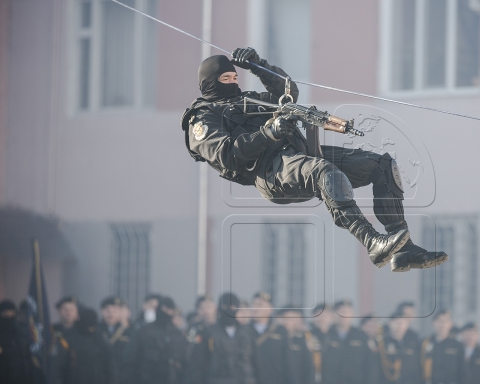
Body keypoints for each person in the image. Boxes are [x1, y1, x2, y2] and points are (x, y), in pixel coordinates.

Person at [181, 49, 448, 272]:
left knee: (382, 165)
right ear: (209, 83)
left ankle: (404, 248)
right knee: (325, 172)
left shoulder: (249, 100)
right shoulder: (202, 118)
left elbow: (287, 92)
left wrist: (258, 65)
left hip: (301, 155)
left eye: (235, 77)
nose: (233, 83)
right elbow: (227, 154)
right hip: (271, 173)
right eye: (225, 78)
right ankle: (372, 242)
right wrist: (269, 132)